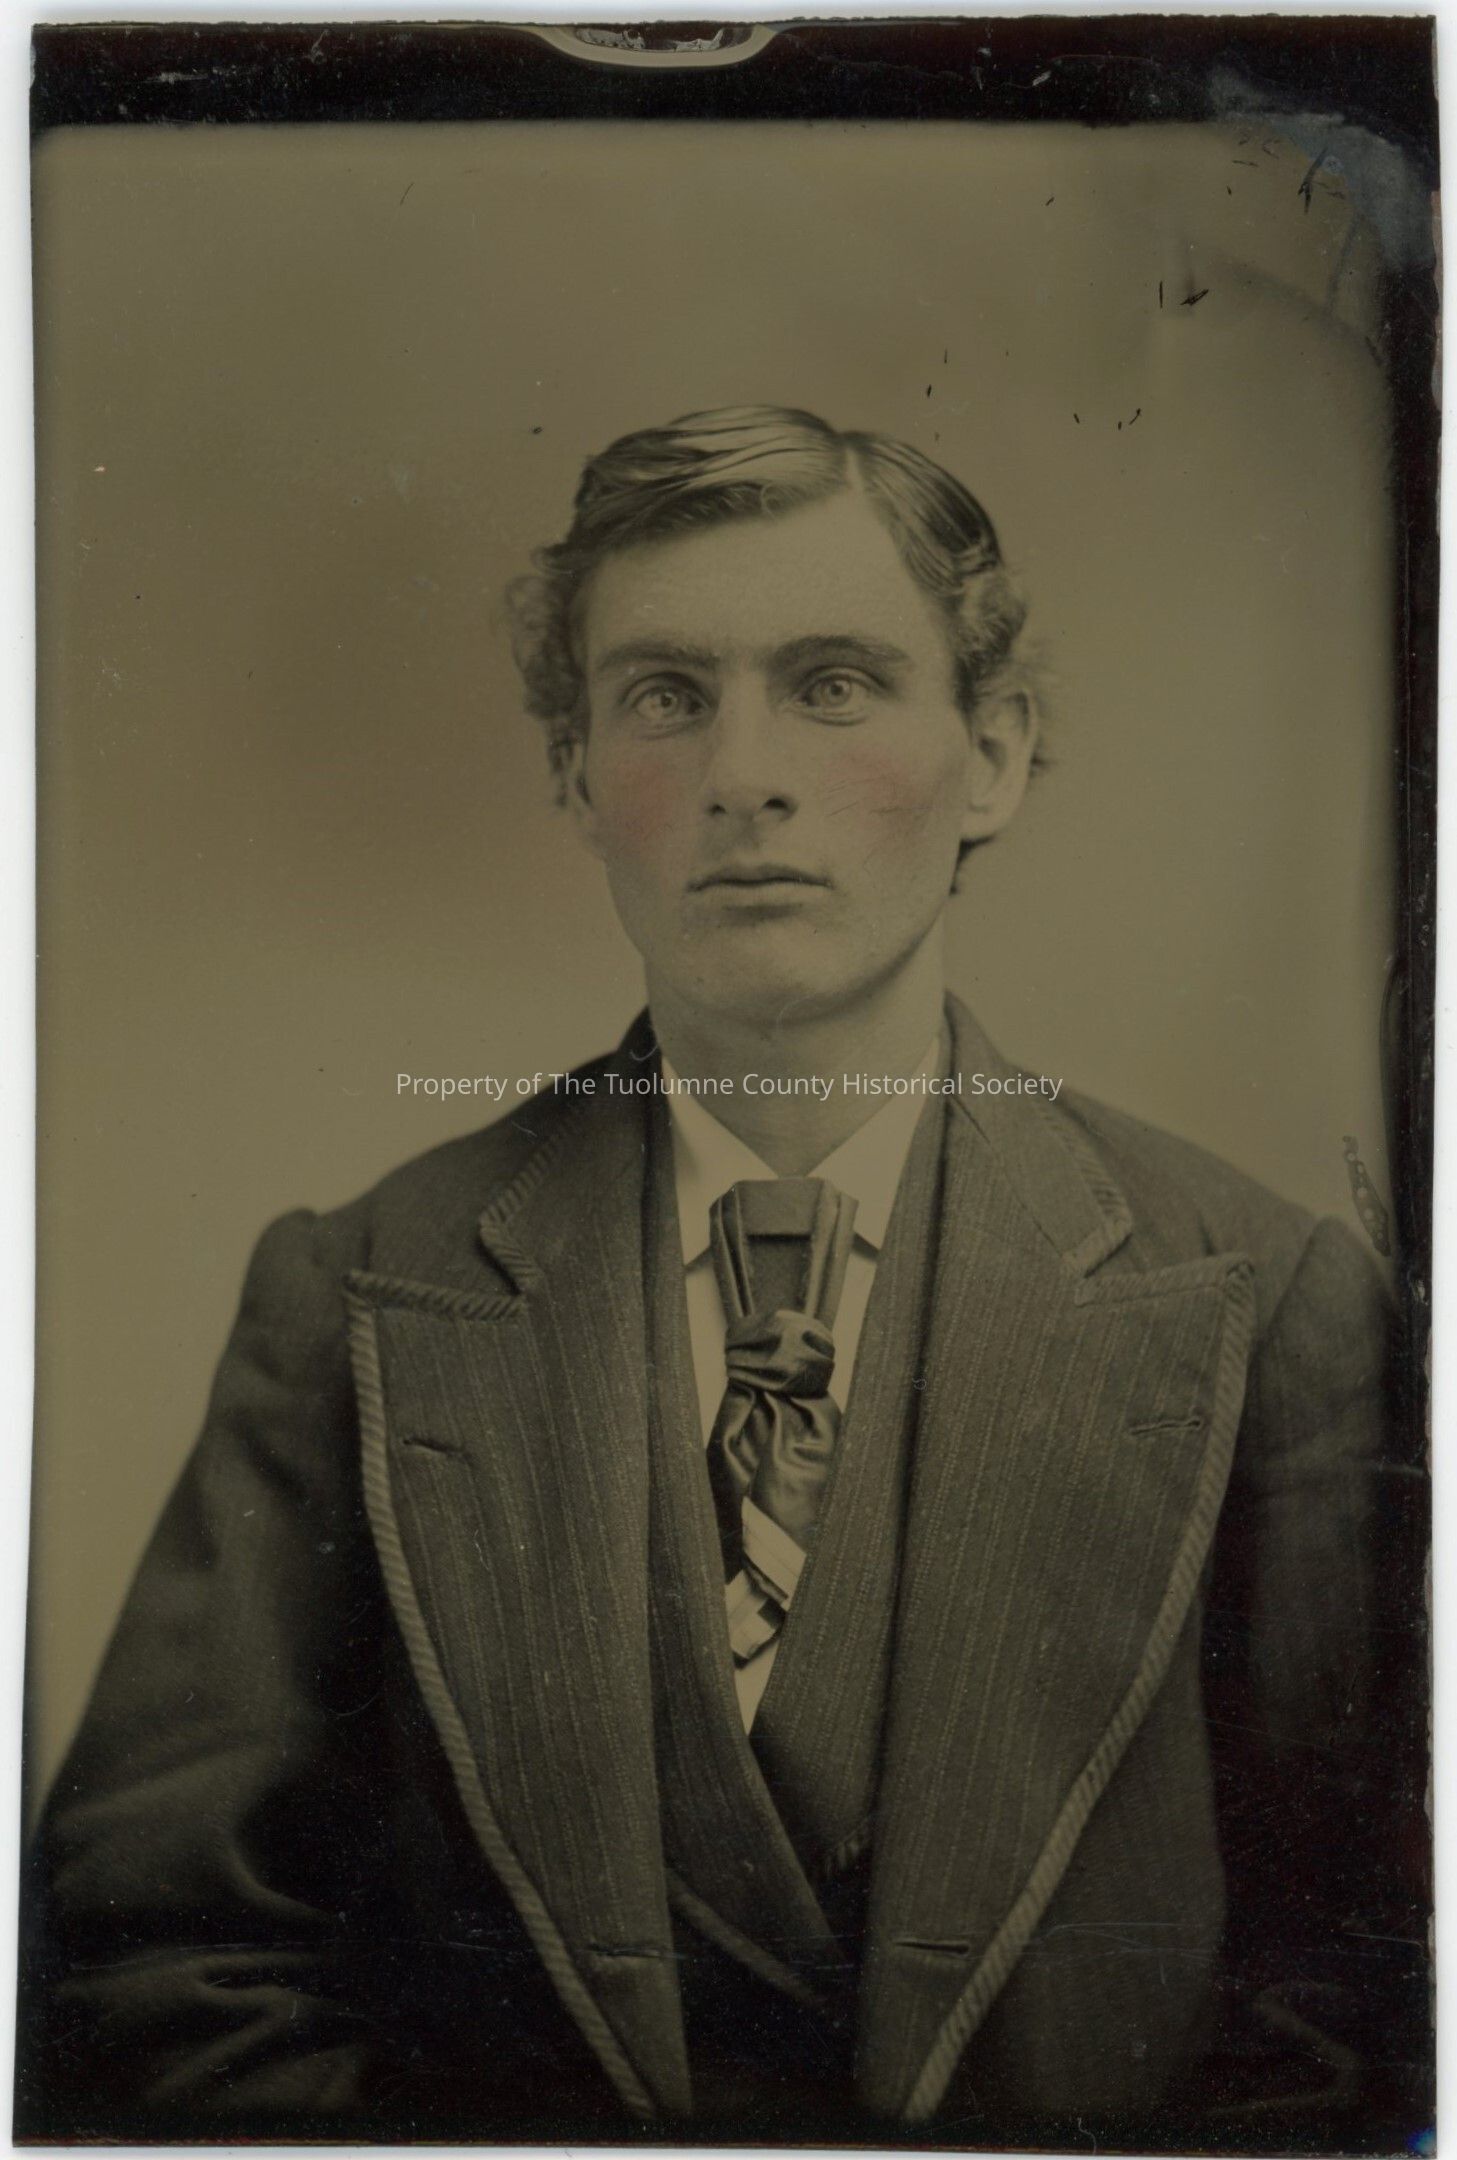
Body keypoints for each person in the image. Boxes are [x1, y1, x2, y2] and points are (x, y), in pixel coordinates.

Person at [18, 407, 1427, 2147]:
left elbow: (1370, 2009)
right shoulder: (362, 1294)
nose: (742, 771)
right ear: (573, 775)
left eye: (833, 684)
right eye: (665, 696)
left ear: (991, 756)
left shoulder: (1265, 1298)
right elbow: (149, 1966)